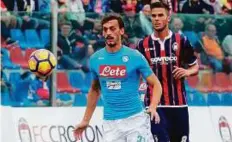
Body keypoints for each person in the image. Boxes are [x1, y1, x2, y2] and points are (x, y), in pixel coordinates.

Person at [73, 14, 162, 142]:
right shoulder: (95, 59)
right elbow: (94, 90)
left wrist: (153, 106)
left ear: (121, 31)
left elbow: (156, 84)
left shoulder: (135, 56)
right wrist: (85, 120)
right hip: (111, 123)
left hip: (136, 120)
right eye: (105, 29)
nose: (108, 32)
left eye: (112, 28)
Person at [136, 2, 199, 142]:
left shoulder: (181, 41)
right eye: (153, 16)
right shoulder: (142, 45)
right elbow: (136, 73)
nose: (156, 19)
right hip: (155, 105)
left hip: (179, 105)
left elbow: (195, 67)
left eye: (160, 15)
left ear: (168, 18)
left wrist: (187, 72)